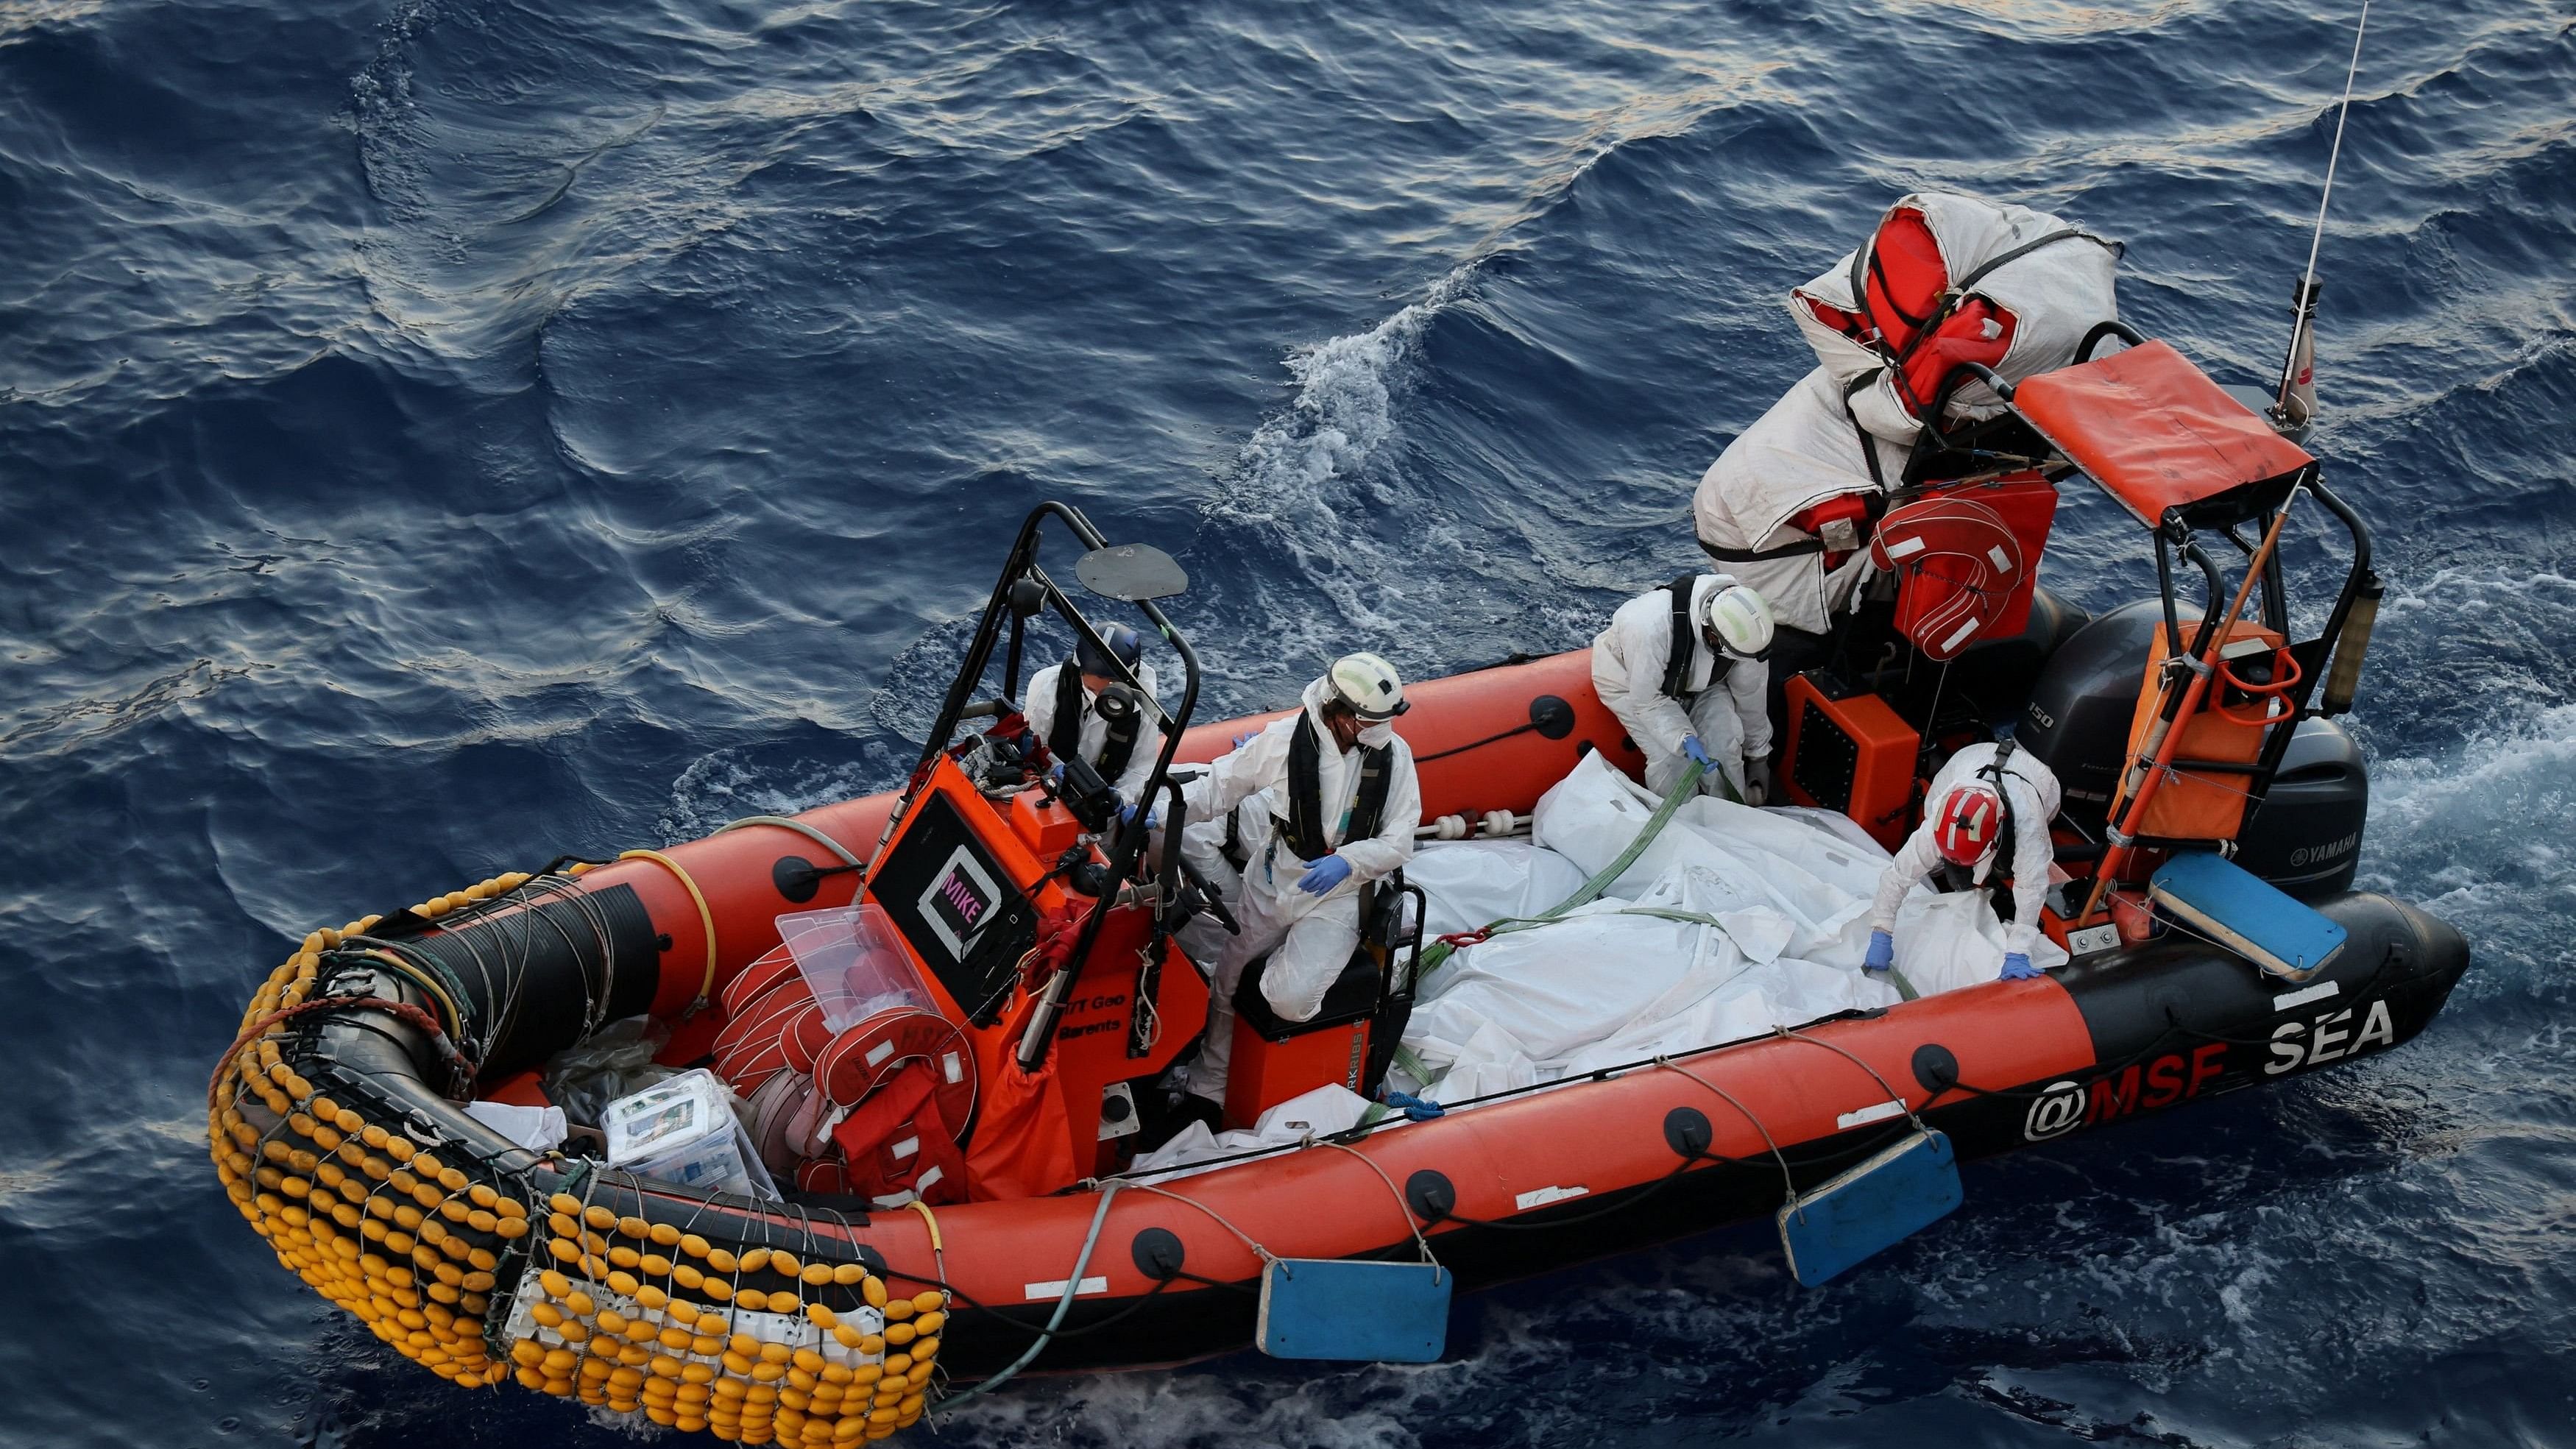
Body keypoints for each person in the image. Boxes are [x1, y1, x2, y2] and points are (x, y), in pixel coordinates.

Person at [1174, 652, 1423, 1112]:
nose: (1377, 729)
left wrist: (1349, 862)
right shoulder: (1285, 740)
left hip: (1341, 893)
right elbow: (1219, 788)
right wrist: (1161, 810)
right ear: (1340, 712)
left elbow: (1399, 839)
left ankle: (1289, 1051)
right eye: (1369, 719)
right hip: (1276, 876)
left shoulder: (1395, 758)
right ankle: (1208, 1087)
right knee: (1228, 982)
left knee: (1289, 999)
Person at [1864, 738, 2063, 982]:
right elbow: (1898, 876)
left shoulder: (2030, 827)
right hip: (1971, 758)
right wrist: (1881, 931)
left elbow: (2031, 888)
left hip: (2036, 777)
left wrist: (2018, 951)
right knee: (1932, 866)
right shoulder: (1936, 820)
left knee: (2025, 865)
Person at [1590, 573, 1777, 803]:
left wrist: (1759, 756)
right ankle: (1680, 820)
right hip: (1630, 682)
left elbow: (1751, 694)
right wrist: (1683, 737)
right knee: (1670, 759)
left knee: (1722, 743)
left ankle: (1731, 815)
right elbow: (1646, 700)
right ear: (1712, 634)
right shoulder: (1648, 626)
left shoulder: (1747, 637)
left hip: (1703, 681)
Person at [1024, 623, 1165, 808]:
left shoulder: (1143, 702)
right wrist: (1055, 769)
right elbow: (1036, 744)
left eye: (1107, 691)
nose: (1098, 698)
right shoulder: (1048, 686)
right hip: (1050, 787)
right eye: (1091, 689)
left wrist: (1120, 798)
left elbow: (1140, 767)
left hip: (1105, 795)